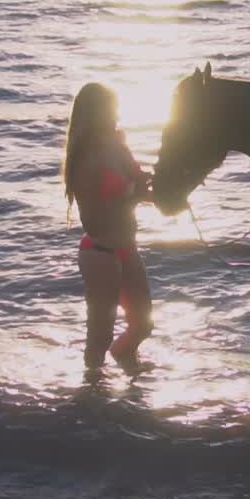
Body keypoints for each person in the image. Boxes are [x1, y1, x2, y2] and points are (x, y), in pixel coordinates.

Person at [62, 83, 153, 367]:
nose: (116, 114)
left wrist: (161, 188)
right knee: (99, 337)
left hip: (127, 247)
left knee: (143, 325)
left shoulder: (118, 145)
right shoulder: (83, 159)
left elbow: (140, 184)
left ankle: (125, 362)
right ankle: (93, 395)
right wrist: (130, 194)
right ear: (96, 113)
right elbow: (93, 215)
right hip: (100, 251)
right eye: (111, 109)